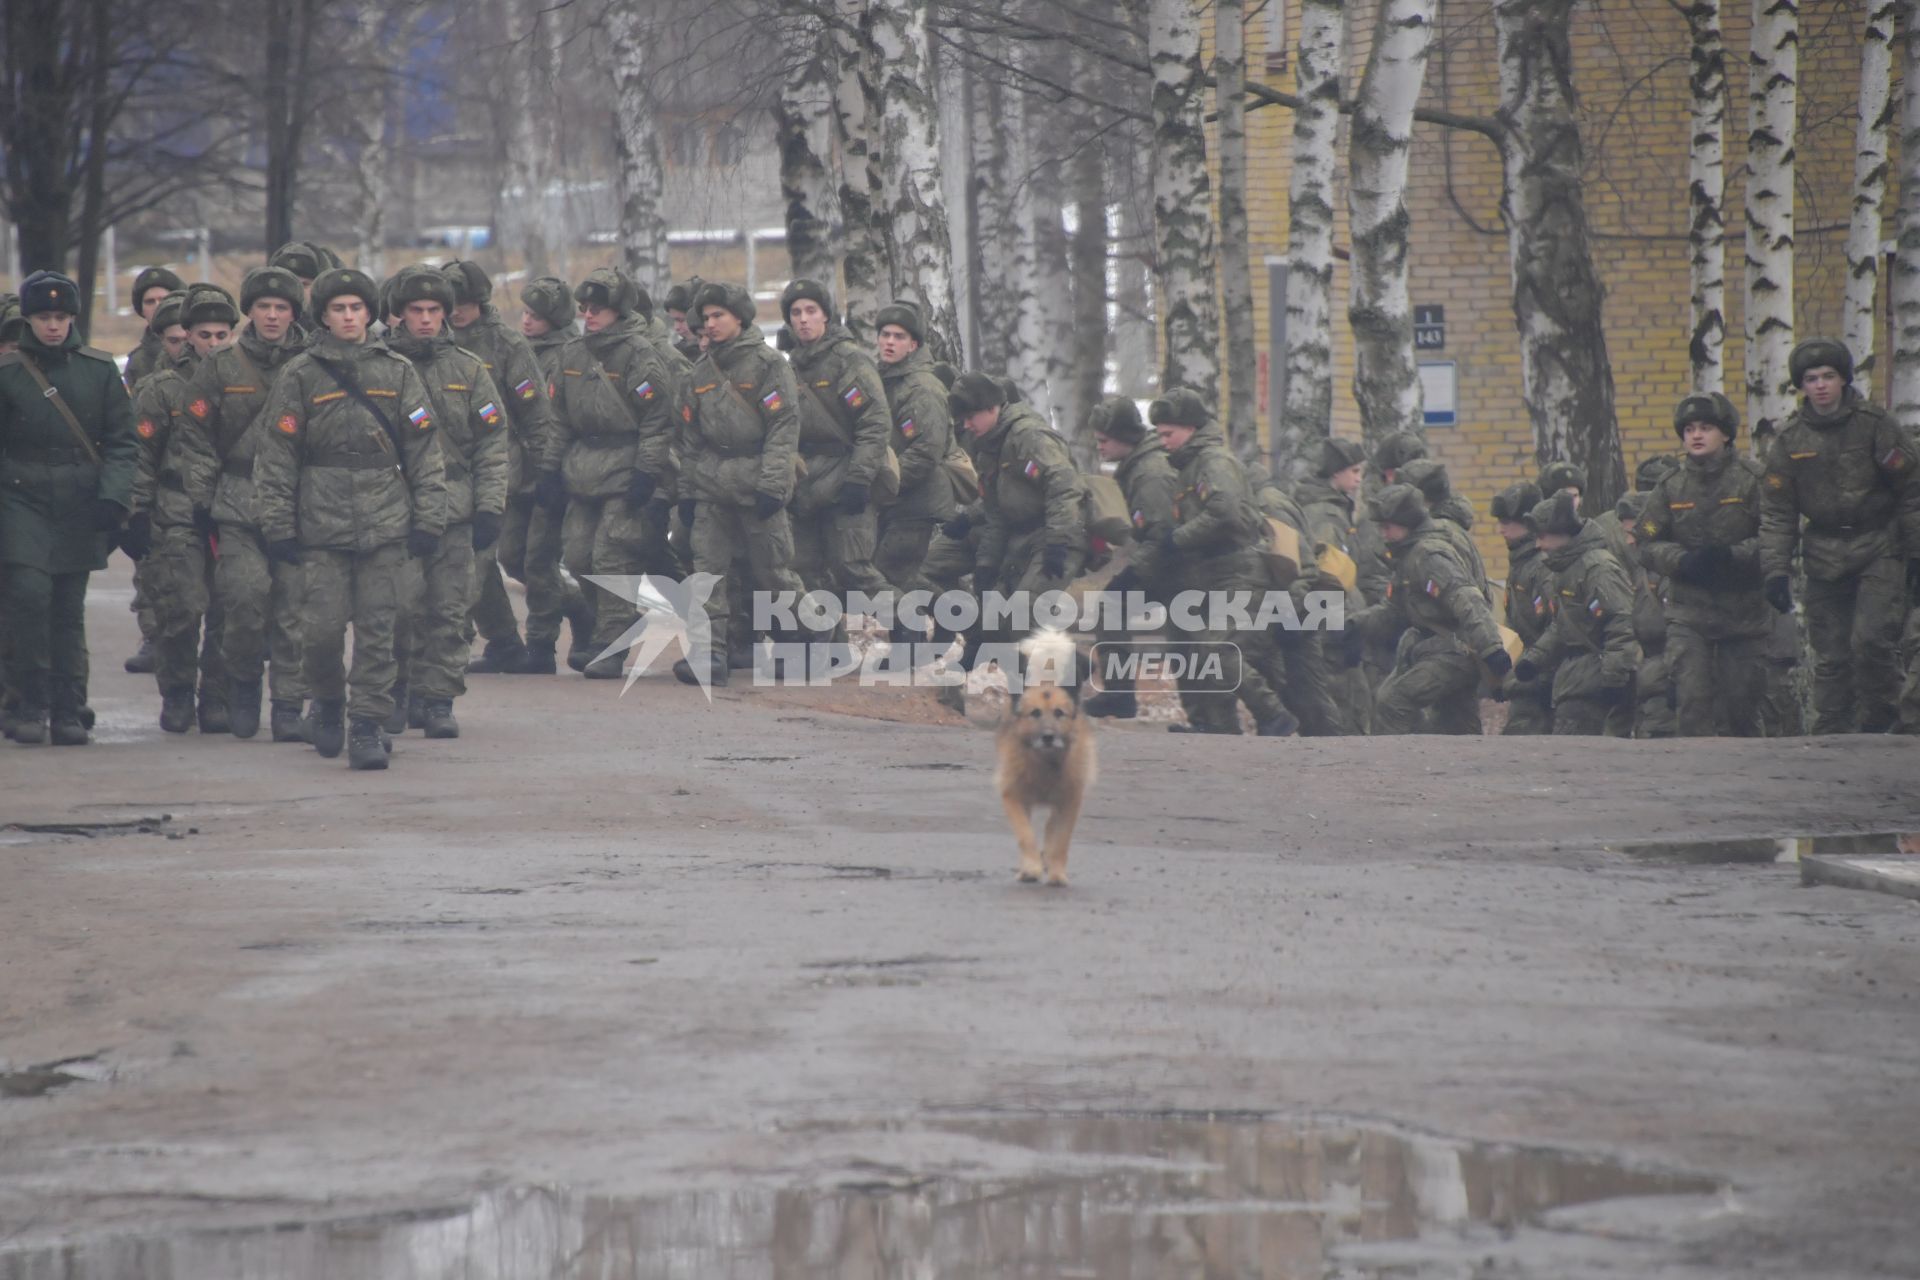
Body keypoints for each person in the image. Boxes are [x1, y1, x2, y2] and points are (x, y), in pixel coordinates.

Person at [252, 267, 447, 770]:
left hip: (385, 520)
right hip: (321, 522)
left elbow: (425, 453)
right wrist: (278, 526)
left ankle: (366, 724)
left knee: (382, 629)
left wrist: (429, 519)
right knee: (318, 632)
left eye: (355, 308)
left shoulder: (397, 371)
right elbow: (276, 457)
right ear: (325, 316)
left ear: (369, 314)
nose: (347, 316)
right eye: (338, 308)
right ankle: (330, 704)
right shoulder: (301, 374)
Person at [0, 271, 140, 745]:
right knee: (28, 597)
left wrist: (113, 497)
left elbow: (123, 444)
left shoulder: (98, 371)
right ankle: (28, 702)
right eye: (44, 317)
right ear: (29, 320)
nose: (53, 326)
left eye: (61, 317)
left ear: (74, 319)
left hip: (80, 500)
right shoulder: (9, 374)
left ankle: (68, 707)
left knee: (66, 607)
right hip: (20, 496)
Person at [1759, 338, 1920, 733]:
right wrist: (1775, 571)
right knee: (1830, 653)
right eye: (1811, 378)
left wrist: (1916, 553)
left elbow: (1911, 490)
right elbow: (1778, 511)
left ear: (1843, 379)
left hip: (1878, 545)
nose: (1821, 386)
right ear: (1801, 385)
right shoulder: (1790, 440)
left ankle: (1887, 724)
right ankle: (1832, 732)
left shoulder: (1875, 426)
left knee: (1871, 642)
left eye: (1829, 376)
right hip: (1824, 553)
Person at [183, 265, 312, 742]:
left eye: (282, 307)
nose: (273, 316)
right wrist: (201, 497)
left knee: (293, 610)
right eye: (263, 307)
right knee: (242, 600)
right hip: (238, 503)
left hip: (300, 505)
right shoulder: (222, 365)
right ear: (250, 312)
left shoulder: (316, 362)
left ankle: (288, 704)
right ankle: (241, 686)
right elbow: (196, 437)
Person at [384, 265, 508, 738]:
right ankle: (395, 689)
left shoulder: (468, 369)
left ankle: (437, 699)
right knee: (396, 607)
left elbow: (493, 442)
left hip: (457, 505)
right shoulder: (381, 368)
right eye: (416, 310)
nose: (425, 319)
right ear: (399, 314)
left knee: (449, 608)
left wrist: (490, 506)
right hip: (396, 506)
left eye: (435, 310)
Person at [1137, 388, 1296, 736]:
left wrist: (1175, 539)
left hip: (1239, 572)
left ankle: (1272, 715)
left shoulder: (1213, 462)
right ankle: (1217, 725)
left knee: (1219, 649)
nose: (1163, 442)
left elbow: (1225, 514)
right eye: (1159, 434)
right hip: (1212, 574)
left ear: (1191, 428)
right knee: (1199, 649)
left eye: (1169, 433)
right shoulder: (1189, 465)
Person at [548, 266, 678, 679]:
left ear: (618, 312)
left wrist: (647, 472)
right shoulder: (572, 355)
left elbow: (657, 420)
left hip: (626, 468)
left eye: (598, 310)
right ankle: (619, 621)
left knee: (611, 555)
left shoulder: (640, 355)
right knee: (578, 555)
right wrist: (550, 470)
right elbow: (559, 419)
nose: (589, 316)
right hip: (583, 471)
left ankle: (610, 643)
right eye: (585, 308)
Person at [677, 281, 806, 686]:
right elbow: (691, 439)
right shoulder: (699, 372)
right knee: (707, 573)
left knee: (774, 572)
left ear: (740, 318)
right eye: (706, 317)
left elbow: (783, 427)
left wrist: (772, 484)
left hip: (756, 483)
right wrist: (688, 491)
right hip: (712, 487)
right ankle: (709, 653)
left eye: (719, 316)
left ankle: (801, 643)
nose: (710, 324)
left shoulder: (769, 365)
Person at [441, 260, 563, 675]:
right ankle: (505, 640)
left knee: (483, 559)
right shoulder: (428, 345)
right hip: (436, 470)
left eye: (465, 303)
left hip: (498, 470)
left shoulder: (507, 346)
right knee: (479, 562)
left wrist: (546, 471)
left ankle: (448, 658)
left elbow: (535, 415)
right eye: (449, 302)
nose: (456, 311)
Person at [467, 275, 593, 674]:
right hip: (512, 471)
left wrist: (550, 472)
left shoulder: (570, 355)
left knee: (539, 559)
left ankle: (541, 644)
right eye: (524, 313)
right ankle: (579, 604)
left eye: (536, 316)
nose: (526, 322)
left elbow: (551, 418)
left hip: (546, 469)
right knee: (511, 556)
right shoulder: (511, 350)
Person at [129, 283, 238, 734]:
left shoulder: (245, 382)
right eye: (203, 334)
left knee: (229, 609)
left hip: (232, 508)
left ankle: (216, 693)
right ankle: (176, 690)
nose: (212, 343)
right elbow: (140, 455)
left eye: (221, 334)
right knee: (184, 606)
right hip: (176, 509)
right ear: (187, 335)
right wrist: (134, 512)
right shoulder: (162, 388)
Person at [1634, 392, 1768, 736]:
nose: (1695, 435)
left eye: (1706, 427)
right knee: (1692, 702)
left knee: (1742, 707)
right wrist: (1681, 561)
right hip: (1688, 612)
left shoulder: (1752, 480)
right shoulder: (1670, 486)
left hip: (1743, 611)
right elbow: (1646, 541)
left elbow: (1778, 535)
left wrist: (1733, 556)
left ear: (1725, 434)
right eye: (1689, 428)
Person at [780, 278, 895, 647]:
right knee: (804, 568)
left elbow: (874, 422)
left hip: (846, 476)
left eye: (811, 311)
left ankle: (910, 628)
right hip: (806, 483)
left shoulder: (848, 360)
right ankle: (825, 642)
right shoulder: (791, 366)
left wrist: (859, 479)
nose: (803, 320)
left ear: (826, 316)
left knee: (854, 569)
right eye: (796, 313)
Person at [1348, 484, 1508, 735]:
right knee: (1455, 723)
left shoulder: (1428, 555)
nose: (1382, 533)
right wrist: (1353, 626)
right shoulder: (1408, 556)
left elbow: (1466, 598)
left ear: (1406, 524)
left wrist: (1492, 649)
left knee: (1393, 702)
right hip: (1438, 648)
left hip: (1456, 650)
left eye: (1387, 526)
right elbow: (1393, 611)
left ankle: (1394, 768)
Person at [1511, 493, 1640, 735]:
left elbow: (1622, 622)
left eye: (1542, 537)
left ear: (1562, 532)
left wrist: (1614, 678)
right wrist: (1534, 659)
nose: (1538, 545)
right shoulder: (1565, 569)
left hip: (1594, 683)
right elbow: (1563, 625)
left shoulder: (1597, 568)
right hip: (1577, 680)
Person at [871, 301, 956, 630]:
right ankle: (929, 628)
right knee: (899, 574)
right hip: (897, 498)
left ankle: (957, 617)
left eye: (899, 336)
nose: (890, 342)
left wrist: (884, 481)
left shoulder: (921, 387)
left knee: (888, 572)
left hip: (917, 499)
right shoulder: (888, 380)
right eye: (885, 335)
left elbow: (926, 451)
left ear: (914, 344)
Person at [123, 287, 191, 675]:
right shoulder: (150, 376)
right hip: (169, 497)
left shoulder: (223, 376)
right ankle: (157, 643)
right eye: (174, 339)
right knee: (166, 587)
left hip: (220, 497)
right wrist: (136, 508)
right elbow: (142, 449)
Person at [1294, 437, 1381, 732]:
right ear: (1335, 473)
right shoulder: (1326, 516)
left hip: (1333, 624)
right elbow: (1327, 578)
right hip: (1333, 631)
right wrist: (1342, 628)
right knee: (1348, 707)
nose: (1358, 479)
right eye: (1354, 471)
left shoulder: (1333, 509)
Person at [1491, 481, 1552, 734]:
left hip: (1542, 677)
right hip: (1526, 674)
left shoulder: (1540, 567)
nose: (1500, 529)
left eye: (1507, 522)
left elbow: (1556, 626)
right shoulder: (1520, 563)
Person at [1615, 492, 1674, 738]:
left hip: (1667, 689)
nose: (1628, 541)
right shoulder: (1642, 571)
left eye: (1633, 533)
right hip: (1649, 687)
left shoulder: (1667, 573)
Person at [123, 265, 186, 390]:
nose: (158, 306)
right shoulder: (138, 361)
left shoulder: (202, 343)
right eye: (150, 301)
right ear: (142, 310)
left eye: (164, 299)